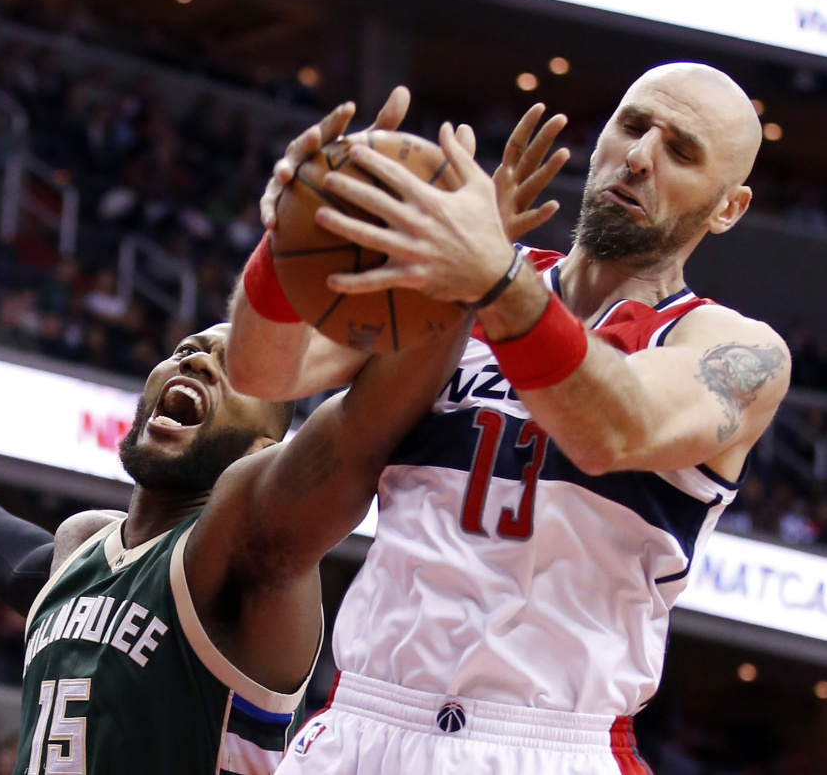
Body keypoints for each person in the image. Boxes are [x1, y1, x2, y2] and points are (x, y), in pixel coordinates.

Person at [227, 65, 790, 774]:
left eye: (680, 152)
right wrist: (288, 241)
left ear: (727, 208)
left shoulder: (731, 349)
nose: (640, 156)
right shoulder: (461, 277)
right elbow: (264, 372)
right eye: (631, 125)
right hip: (363, 722)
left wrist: (494, 280)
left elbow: (613, 426)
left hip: (547, 744)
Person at [0, 319, 465, 774]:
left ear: (265, 447)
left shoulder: (243, 553)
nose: (198, 358)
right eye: (188, 346)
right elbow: (19, 568)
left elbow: (361, 431)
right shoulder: (83, 543)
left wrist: (463, 285)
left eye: (236, 366)